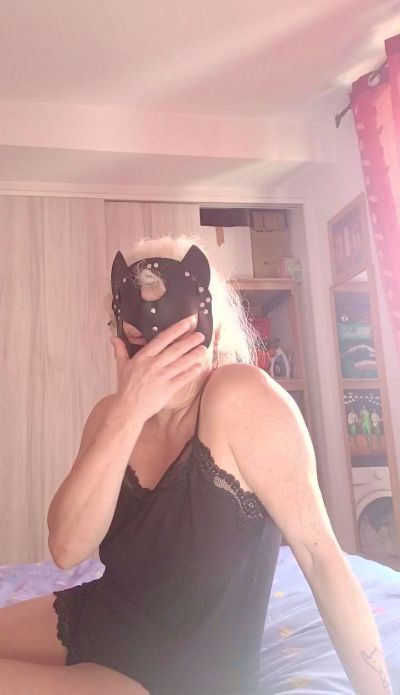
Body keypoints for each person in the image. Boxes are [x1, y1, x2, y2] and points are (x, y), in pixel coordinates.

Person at [0, 235, 393, 694]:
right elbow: (67, 550)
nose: (161, 358)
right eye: (139, 339)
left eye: (180, 339)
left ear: (215, 333)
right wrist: (129, 412)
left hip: (175, 673)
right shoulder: (112, 414)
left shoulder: (241, 397)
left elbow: (319, 556)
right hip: (105, 616)